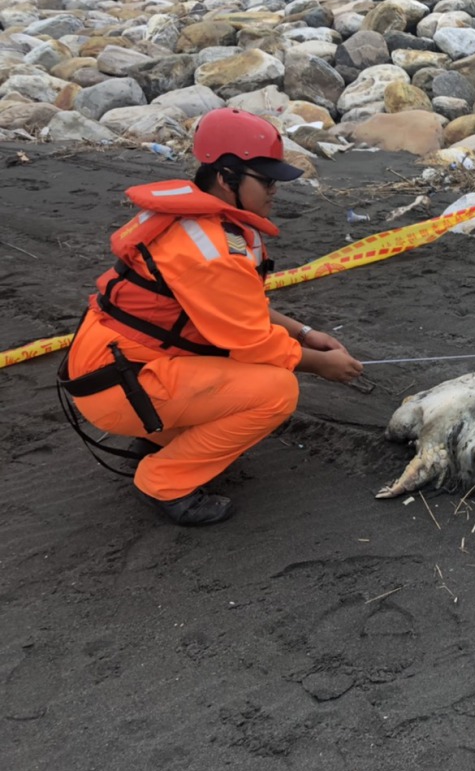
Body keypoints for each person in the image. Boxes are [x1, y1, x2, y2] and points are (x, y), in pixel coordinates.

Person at [59, 108, 364, 526]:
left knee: (242, 368)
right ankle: (163, 481)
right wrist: (318, 364)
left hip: (114, 364)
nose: (276, 190)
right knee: (276, 389)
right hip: (119, 382)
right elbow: (254, 342)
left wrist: (306, 333)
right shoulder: (210, 248)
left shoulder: (196, 222)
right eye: (268, 179)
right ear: (227, 177)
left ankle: (156, 439)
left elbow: (238, 309)